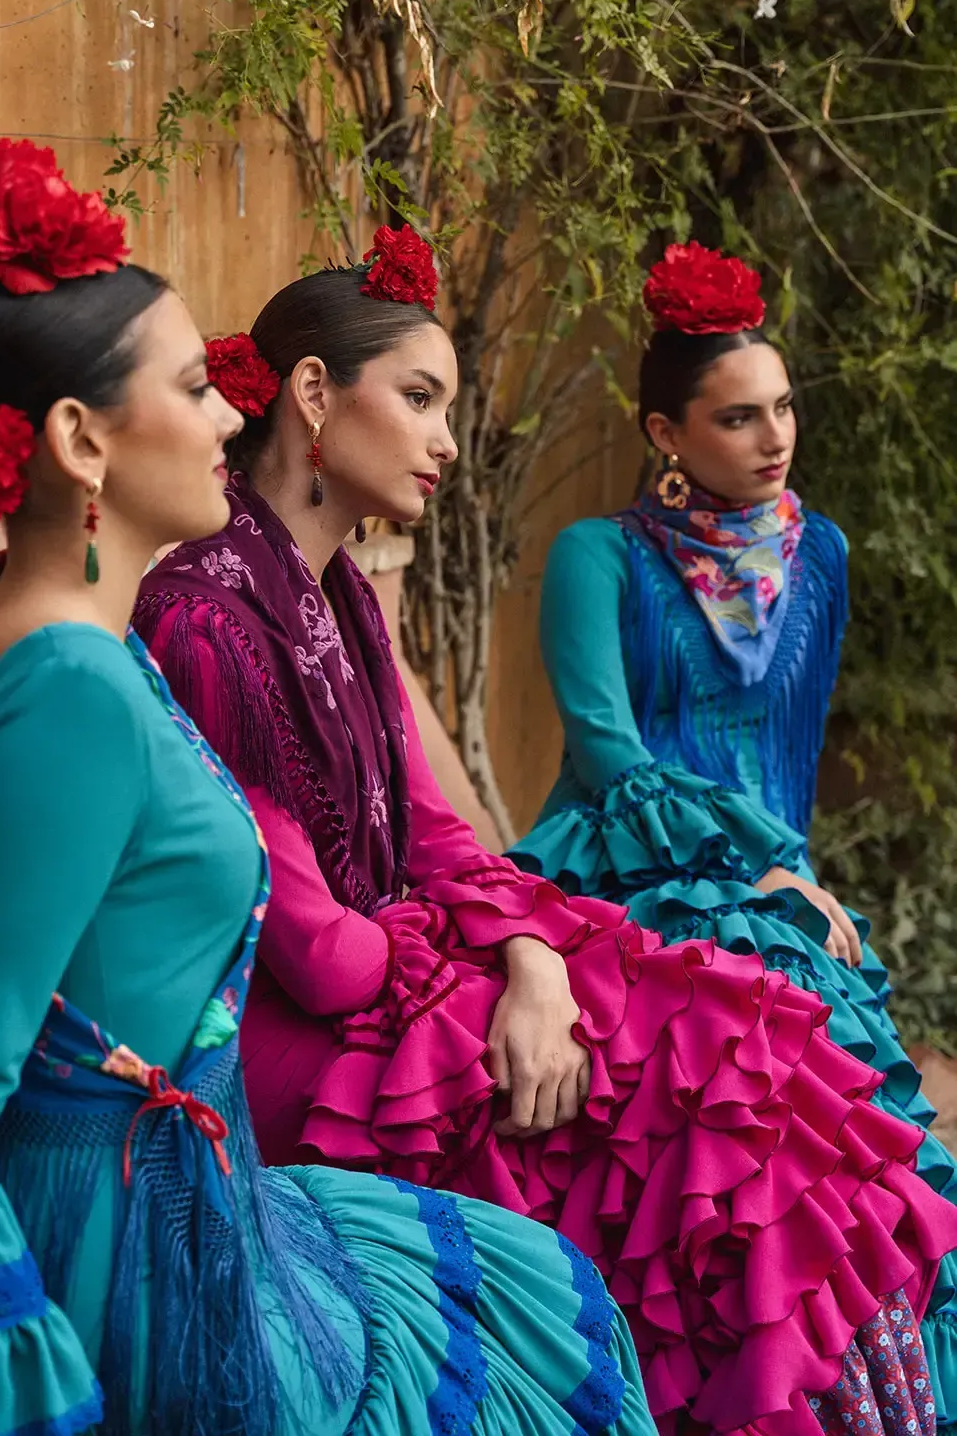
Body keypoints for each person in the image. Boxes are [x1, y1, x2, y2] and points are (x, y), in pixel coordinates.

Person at [135, 227, 957, 1436]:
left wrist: (529, 957)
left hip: (403, 985)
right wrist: (470, 962)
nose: (447, 441)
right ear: (314, 395)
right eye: (419, 399)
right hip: (298, 1041)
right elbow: (317, 949)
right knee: (688, 1130)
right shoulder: (203, 617)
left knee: (750, 1057)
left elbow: (430, 828)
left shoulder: (339, 593)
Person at [0, 141, 656, 1436]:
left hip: (199, 1187)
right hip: (131, 1257)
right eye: (191, 385)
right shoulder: (77, 683)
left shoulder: (71, 631)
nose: (221, 413)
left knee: (533, 1290)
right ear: (80, 441)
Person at [511, 242, 957, 1207]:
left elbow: (787, 755)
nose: (774, 436)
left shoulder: (820, 553)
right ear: (666, 433)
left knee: (869, 1174)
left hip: (777, 882)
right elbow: (605, 752)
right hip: (628, 871)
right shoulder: (597, 557)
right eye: (738, 416)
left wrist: (791, 879)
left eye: (783, 406)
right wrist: (745, 870)